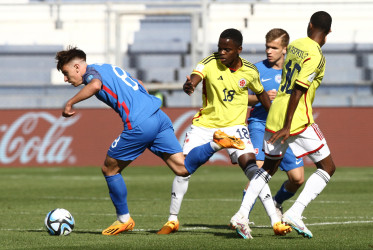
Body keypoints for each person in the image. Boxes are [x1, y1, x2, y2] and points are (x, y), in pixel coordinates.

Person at [56, 46, 240, 236]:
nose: (65, 79)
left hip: (139, 123)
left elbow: (94, 85)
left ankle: (124, 220)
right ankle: (217, 143)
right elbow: (140, 83)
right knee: (182, 168)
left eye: (66, 73)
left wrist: (70, 103)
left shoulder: (91, 74)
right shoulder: (107, 67)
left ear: (77, 67)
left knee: (109, 169)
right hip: (159, 116)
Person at [157, 28, 291, 238]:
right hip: (205, 126)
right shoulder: (210, 62)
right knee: (183, 169)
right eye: (220, 48)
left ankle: (276, 222)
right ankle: (172, 219)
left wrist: (274, 118)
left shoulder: (249, 70)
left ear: (239, 50)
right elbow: (195, 77)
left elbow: (261, 95)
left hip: (235, 127)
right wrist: (190, 85)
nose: (222, 52)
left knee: (253, 170)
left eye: (227, 49)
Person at [231, 11, 335, 239]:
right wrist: (289, 124)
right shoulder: (316, 56)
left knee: (268, 169)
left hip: (274, 112)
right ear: (327, 33)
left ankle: (241, 215)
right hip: (296, 118)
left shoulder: (296, 44)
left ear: (309, 25)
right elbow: (299, 89)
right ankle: (295, 212)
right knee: (327, 167)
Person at [245, 28, 304, 219]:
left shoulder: (294, 70)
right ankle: (242, 216)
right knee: (259, 169)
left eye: (274, 48)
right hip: (260, 124)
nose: (269, 51)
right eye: (267, 47)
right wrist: (260, 98)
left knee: (297, 179)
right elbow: (241, 98)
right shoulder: (256, 69)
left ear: (285, 49)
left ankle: (277, 203)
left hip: (285, 128)